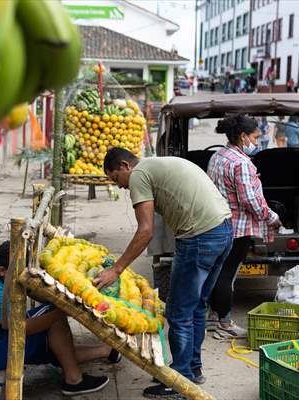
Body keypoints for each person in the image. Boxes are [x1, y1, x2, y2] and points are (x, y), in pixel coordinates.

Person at [95, 148, 233, 398]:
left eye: (116, 179)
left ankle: (179, 381)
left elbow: (145, 231)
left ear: (125, 166)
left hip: (200, 237)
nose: (121, 188)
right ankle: (192, 369)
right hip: (223, 229)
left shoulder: (138, 175)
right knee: (197, 306)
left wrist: (116, 269)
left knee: (179, 312)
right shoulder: (156, 165)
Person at [0, 241, 120, 396]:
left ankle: (107, 352)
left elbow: (30, 291)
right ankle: (74, 380)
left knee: (56, 333)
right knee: (55, 327)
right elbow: (21, 329)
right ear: (2, 270)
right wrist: (65, 311)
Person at [206, 116, 281, 339]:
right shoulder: (241, 163)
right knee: (227, 275)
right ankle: (225, 324)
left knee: (217, 271)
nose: (257, 142)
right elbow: (251, 200)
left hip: (216, 223)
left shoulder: (218, 156)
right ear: (243, 136)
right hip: (237, 229)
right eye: (255, 137)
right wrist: (272, 218)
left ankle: (212, 317)